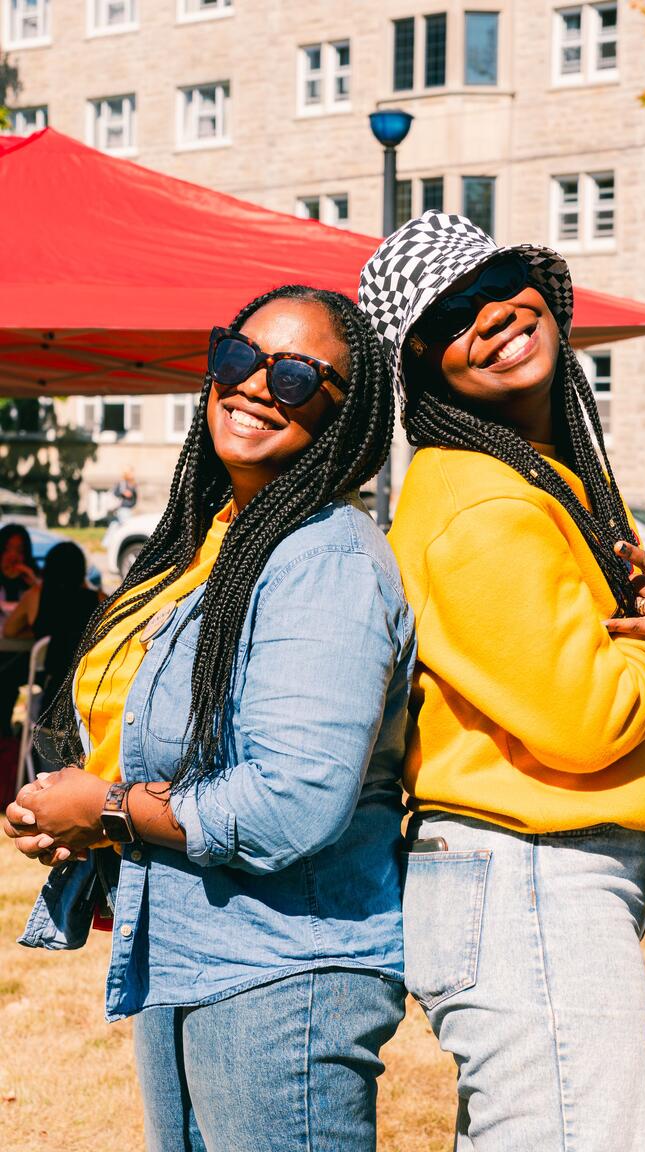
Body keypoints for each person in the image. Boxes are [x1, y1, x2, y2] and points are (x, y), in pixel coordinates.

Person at [358, 211, 645, 1152]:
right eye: (452, 315)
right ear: (421, 367)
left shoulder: (539, 477)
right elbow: (589, 718)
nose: (490, 315)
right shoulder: (480, 502)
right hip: (529, 876)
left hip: (537, 877)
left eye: (499, 284)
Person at [3, 285, 414, 1152]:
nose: (257, 386)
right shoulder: (209, 543)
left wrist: (108, 809)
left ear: (347, 414)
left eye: (298, 376)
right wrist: (82, 817)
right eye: (239, 357)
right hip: (189, 955)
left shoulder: (323, 560)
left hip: (284, 976)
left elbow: (291, 800)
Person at [3, 540, 103, 716]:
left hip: (51, 689)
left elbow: (9, 631)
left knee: (7, 675)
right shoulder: (99, 600)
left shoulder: (35, 596)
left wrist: (39, 634)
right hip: (91, 689)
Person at [0, 523, 40, 736]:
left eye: (20, 551)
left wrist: (33, 581)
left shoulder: (34, 583)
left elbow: (46, 621)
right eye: (8, 549)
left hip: (29, 658)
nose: (13, 557)